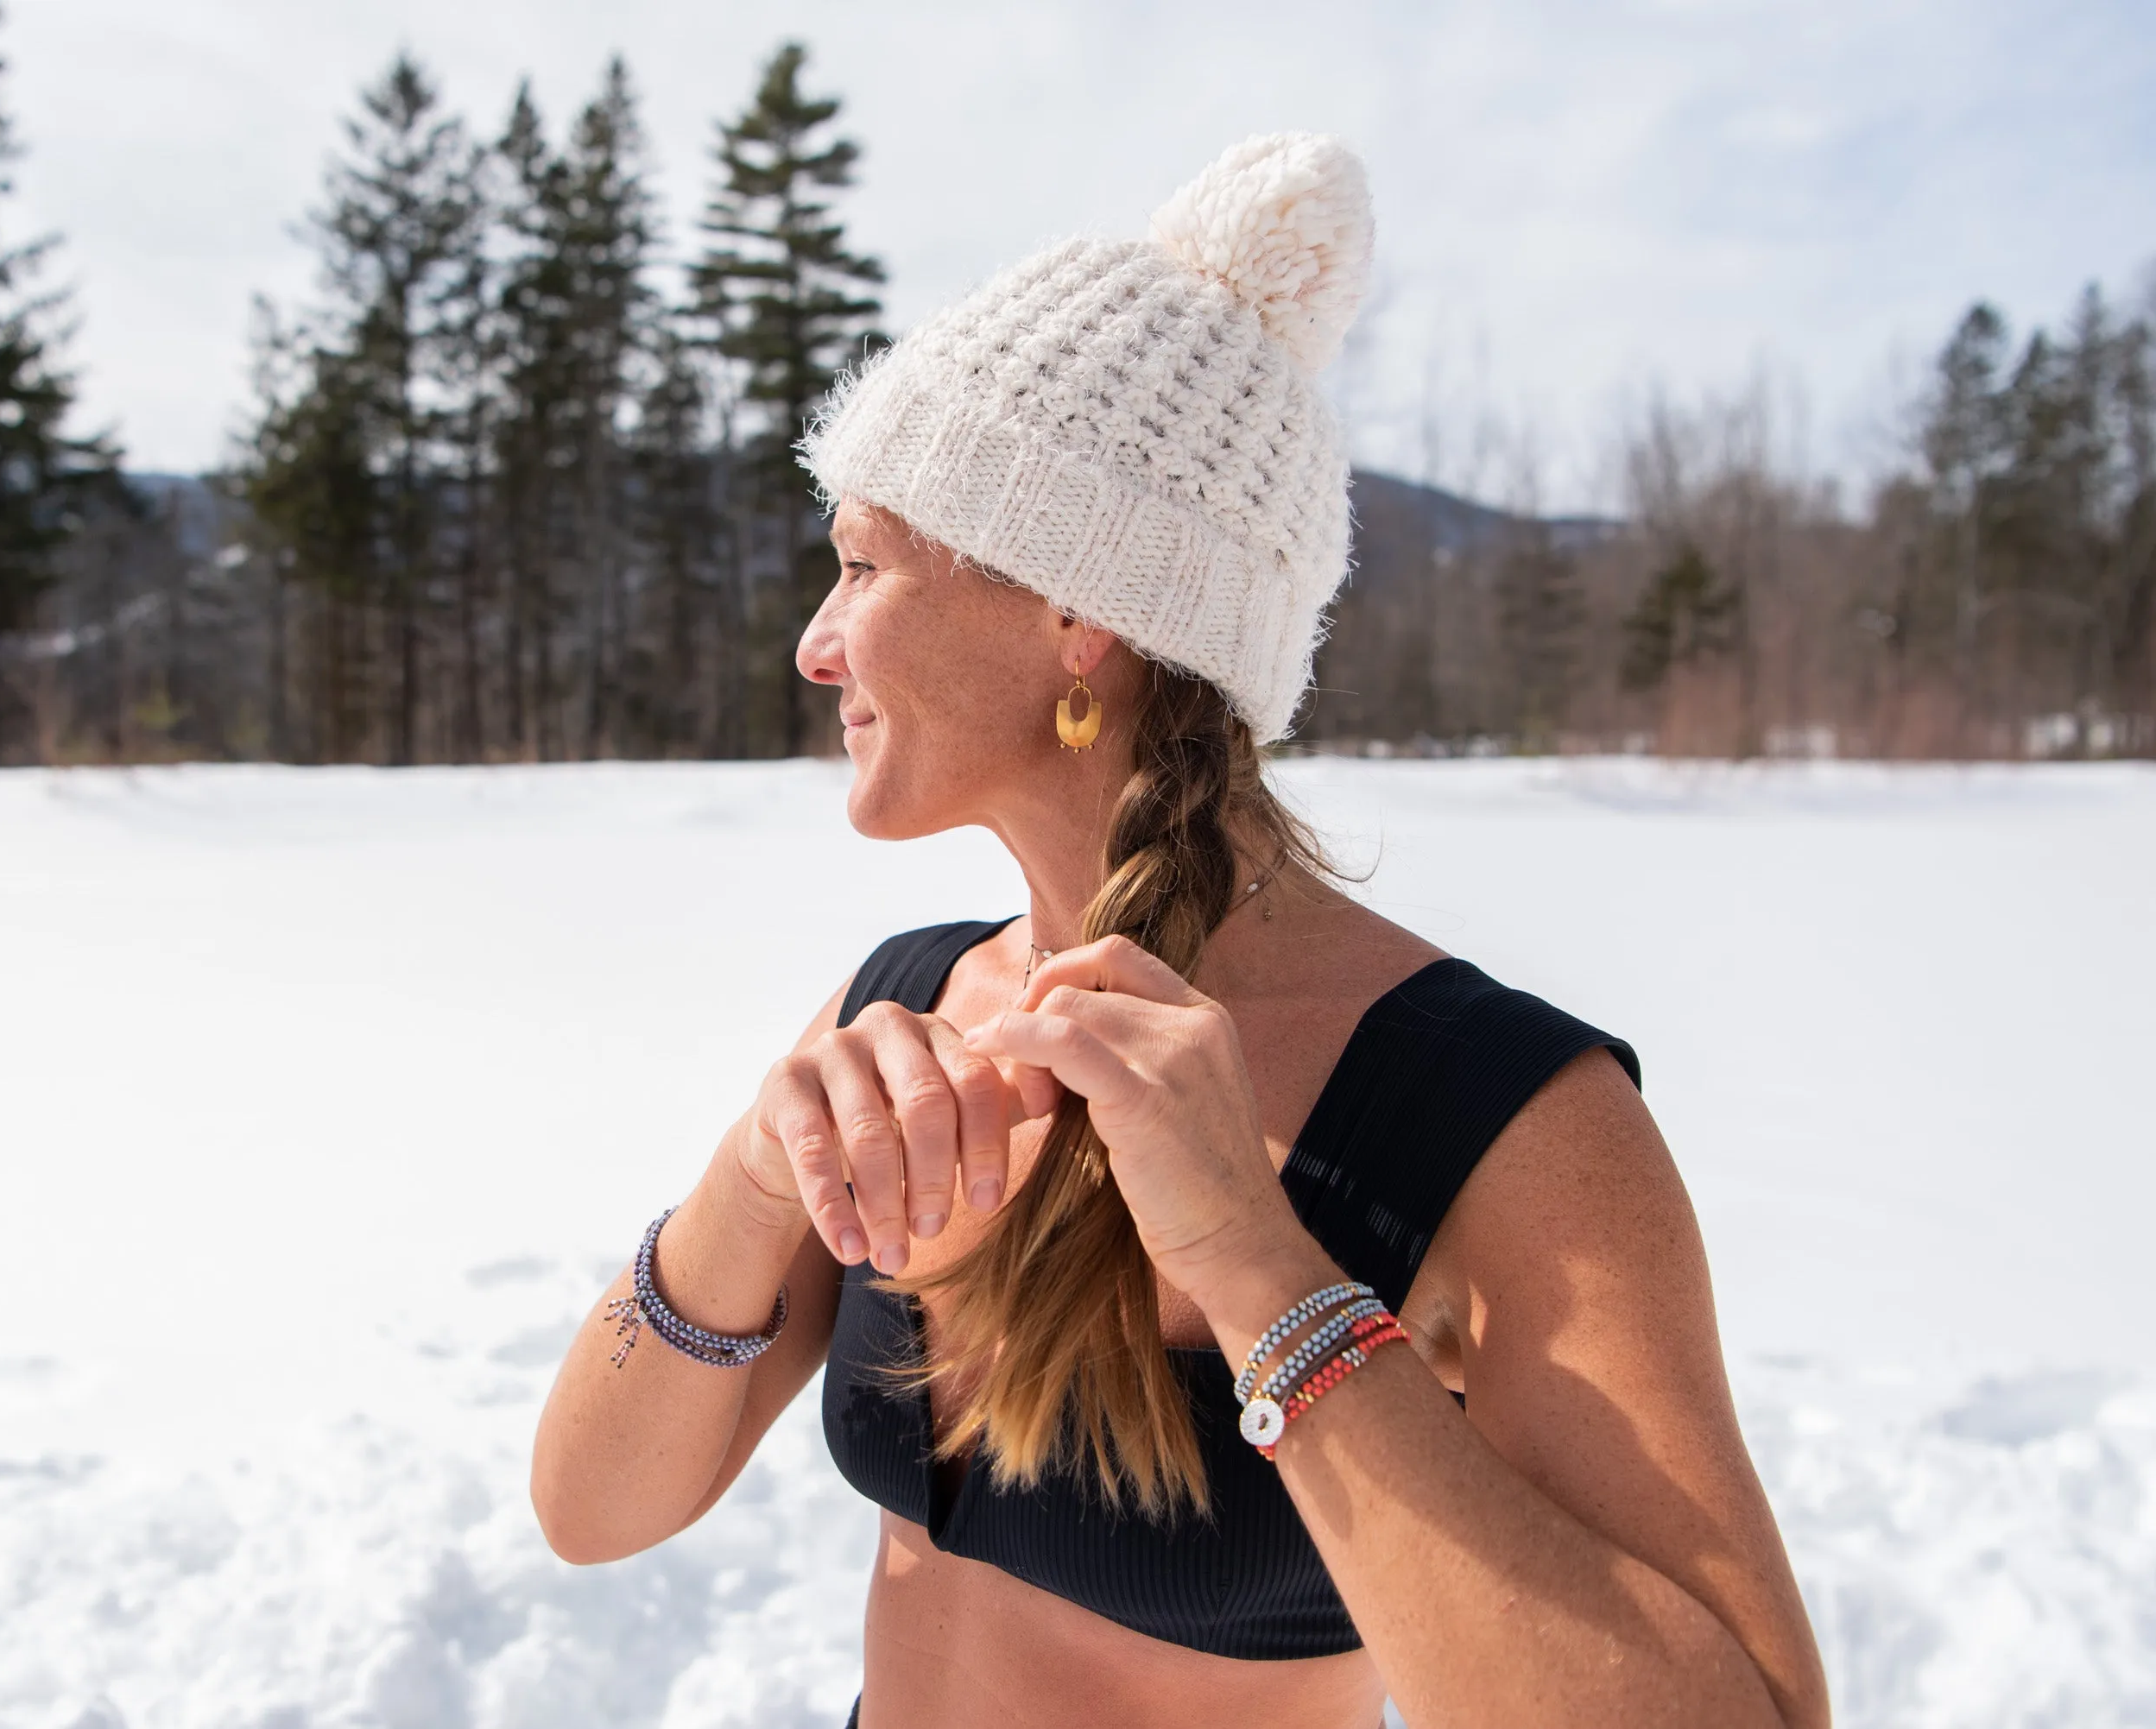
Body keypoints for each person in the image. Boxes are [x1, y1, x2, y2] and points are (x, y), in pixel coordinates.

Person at [532, 134, 1827, 1729]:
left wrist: (1265, 1274)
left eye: (864, 565)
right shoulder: (907, 997)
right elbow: (591, 1514)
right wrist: (745, 1178)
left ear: (1077, 614)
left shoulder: (1503, 1120)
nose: (815, 645)